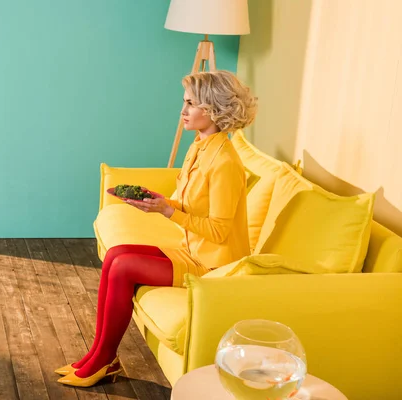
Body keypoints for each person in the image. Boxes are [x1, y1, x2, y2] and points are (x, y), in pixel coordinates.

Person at [56, 70, 258, 387]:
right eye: (185, 102)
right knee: (115, 256)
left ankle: (105, 360)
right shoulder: (199, 147)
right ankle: (97, 354)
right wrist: (160, 201)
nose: (183, 110)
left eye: (191, 103)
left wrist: (167, 212)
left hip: (215, 266)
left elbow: (218, 231)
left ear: (214, 109)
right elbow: (189, 202)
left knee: (123, 268)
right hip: (192, 250)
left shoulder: (225, 163)